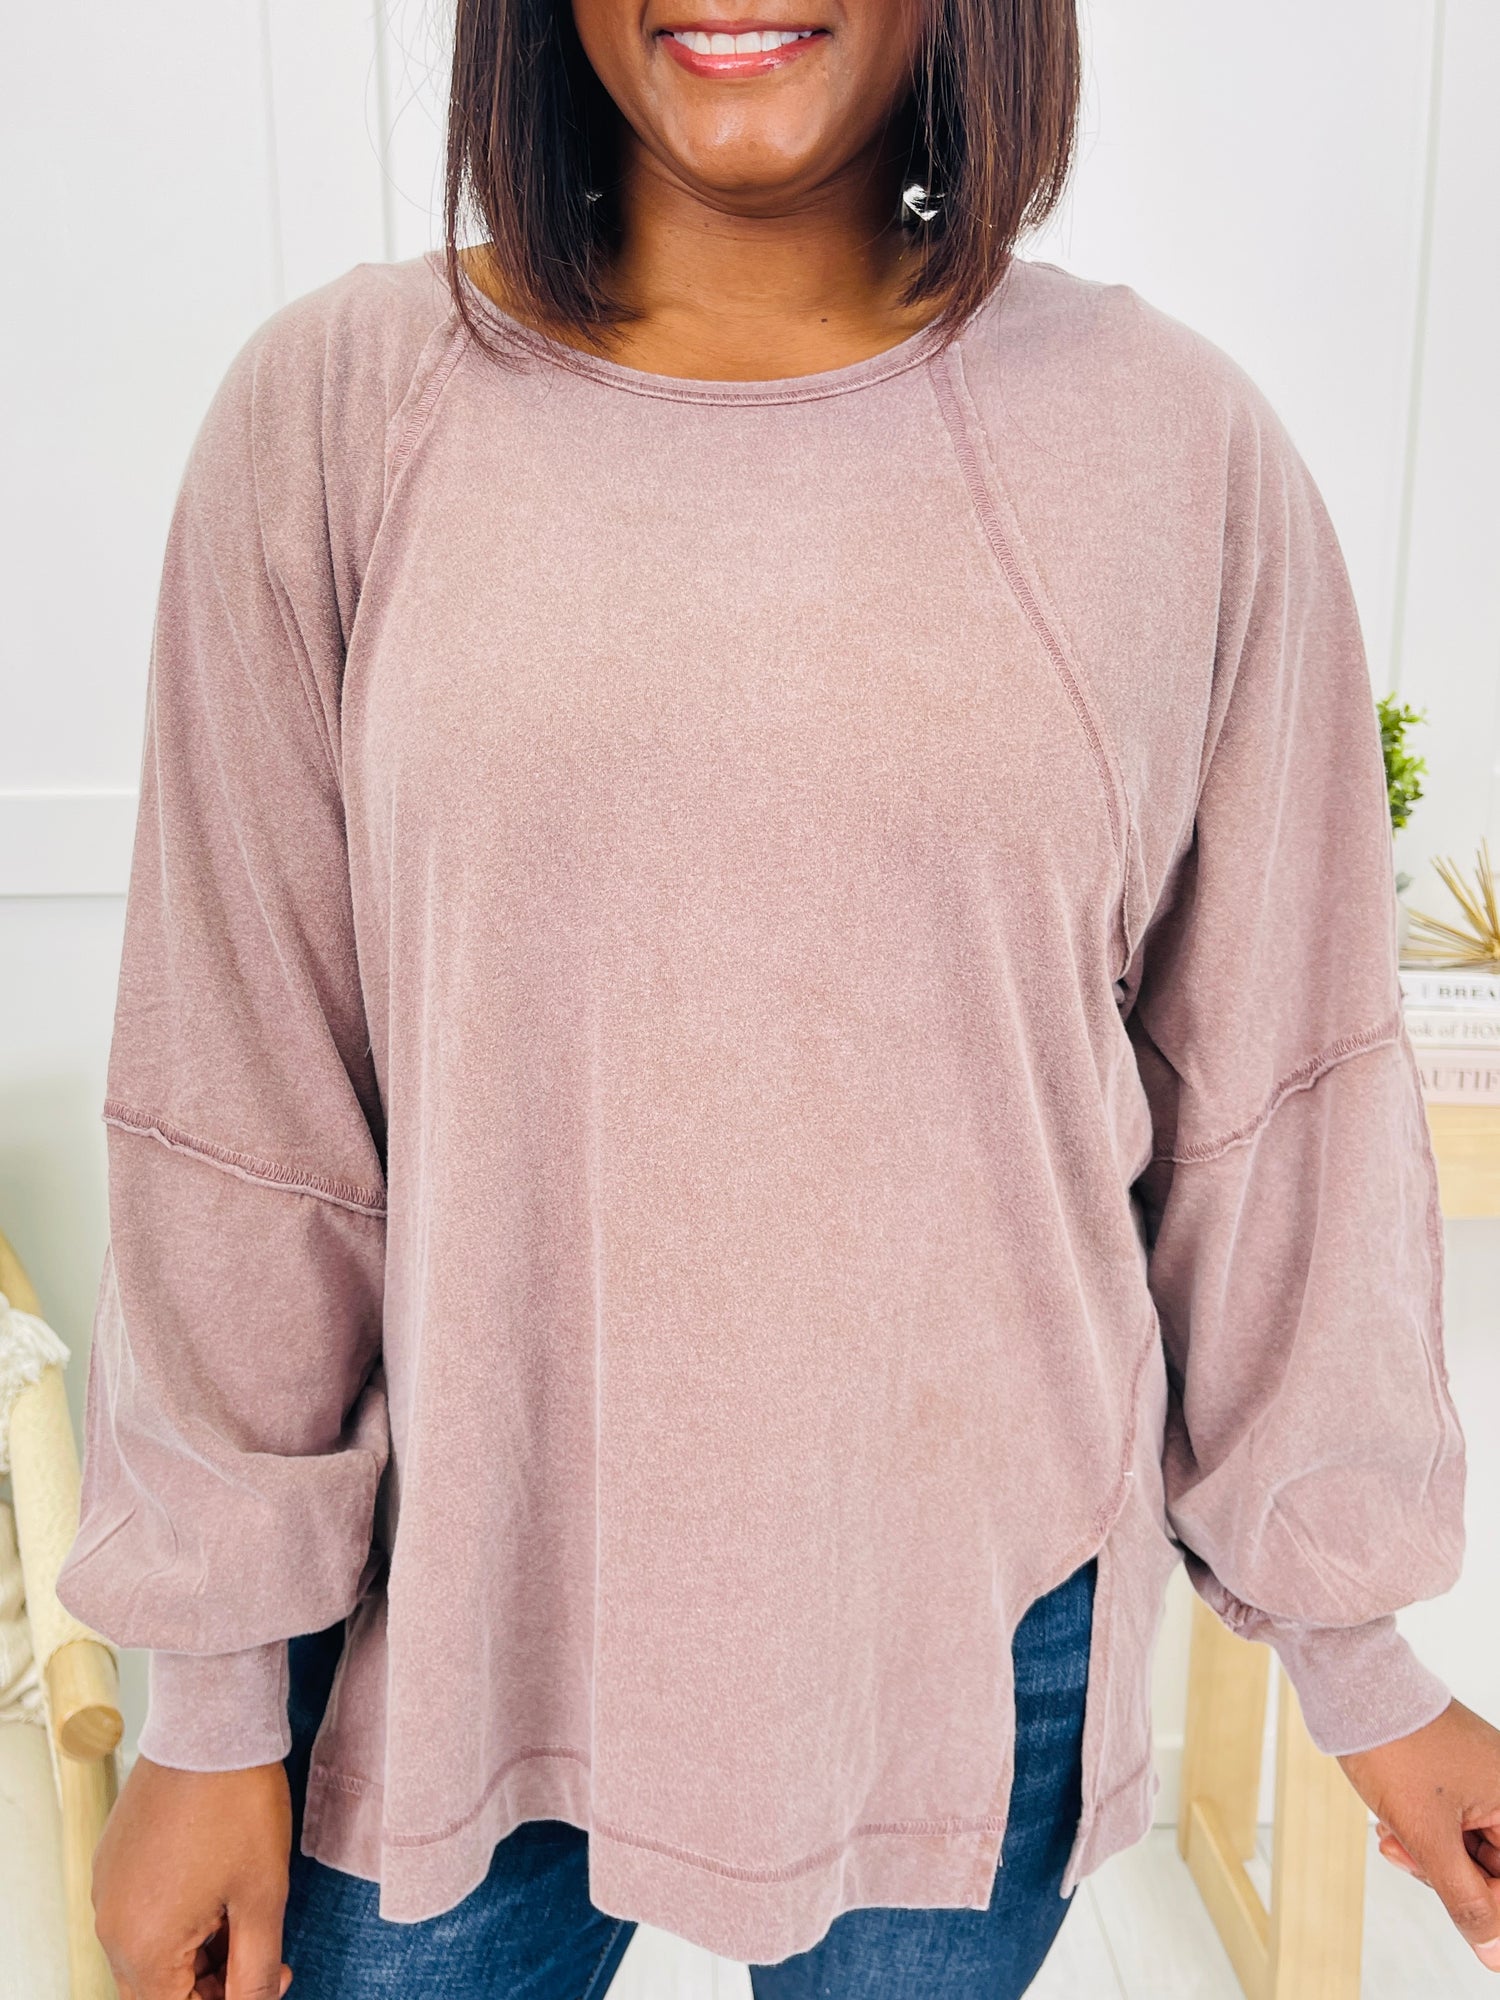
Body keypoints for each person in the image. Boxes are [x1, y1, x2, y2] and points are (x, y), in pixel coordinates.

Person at [53, 0, 1500, 1993]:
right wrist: (211, 1705)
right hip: (449, 1602)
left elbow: (1276, 1096)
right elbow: (245, 1105)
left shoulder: (1176, 450)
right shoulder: (339, 412)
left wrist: (1364, 1660)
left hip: (964, 1623)